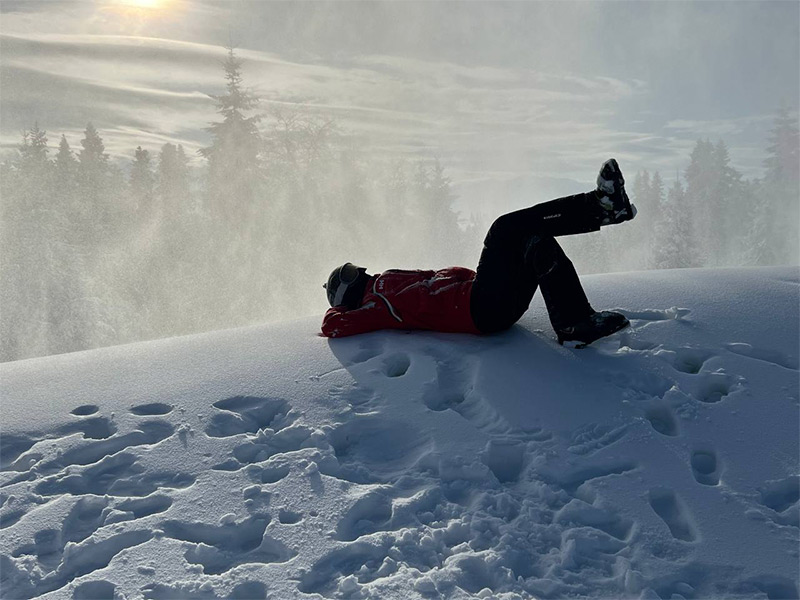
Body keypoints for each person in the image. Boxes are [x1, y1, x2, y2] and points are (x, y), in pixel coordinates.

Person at [321, 158, 637, 347]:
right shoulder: (372, 306)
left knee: (534, 238)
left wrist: (476, 277)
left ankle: (575, 323)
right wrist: (340, 312)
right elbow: (333, 327)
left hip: (486, 300)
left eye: (351, 268)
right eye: (349, 274)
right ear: (344, 293)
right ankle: (601, 207)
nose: (359, 271)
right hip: (480, 310)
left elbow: (440, 278)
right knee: (504, 228)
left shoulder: (383, 287)